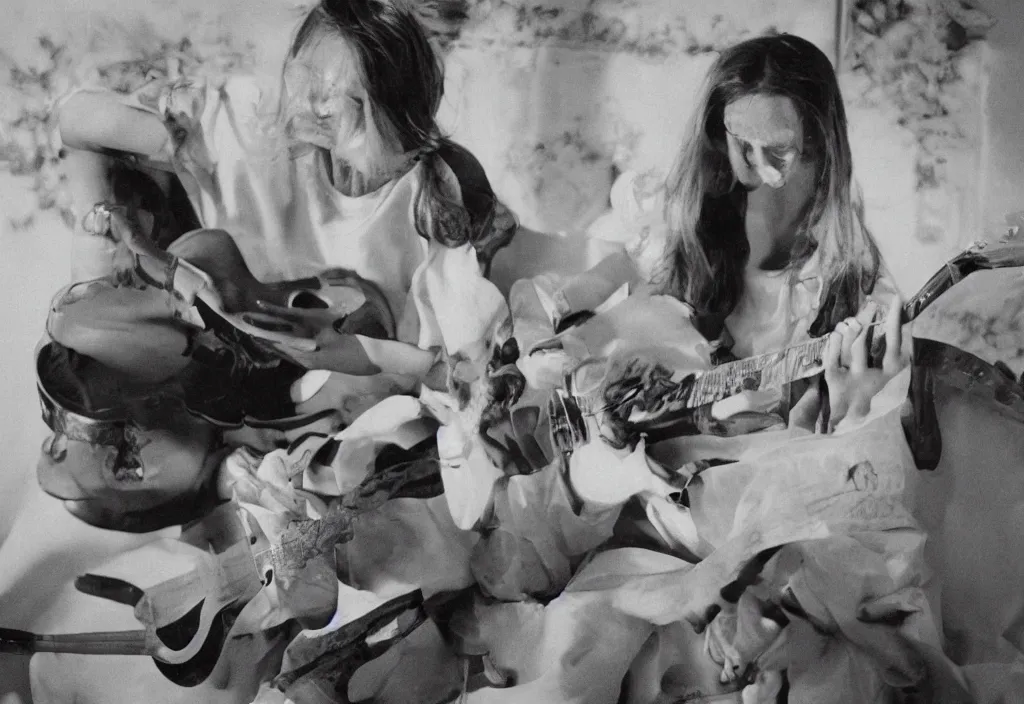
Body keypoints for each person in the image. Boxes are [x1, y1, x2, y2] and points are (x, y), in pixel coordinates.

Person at [443, 33, 967, 704]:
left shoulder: (852, 286)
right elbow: (554, 307)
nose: (752, 171)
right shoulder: (676, 222)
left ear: (823, 147)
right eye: (737, 143)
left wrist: (856, 403)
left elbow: (846, 472)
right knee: (572, 650)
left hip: (760, 522)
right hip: (649, 503)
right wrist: (548, 359)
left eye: (778, 152)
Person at [24, 1, 520, 702]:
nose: (313, 106)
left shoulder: (432, 193)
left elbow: (449, 366)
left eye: (343, 98)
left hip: (346, 407)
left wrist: (358, 357)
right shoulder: (251, 128)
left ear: (394, 110)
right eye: (305, 79)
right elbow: (78, 116)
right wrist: (114, 218)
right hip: (231, 396)